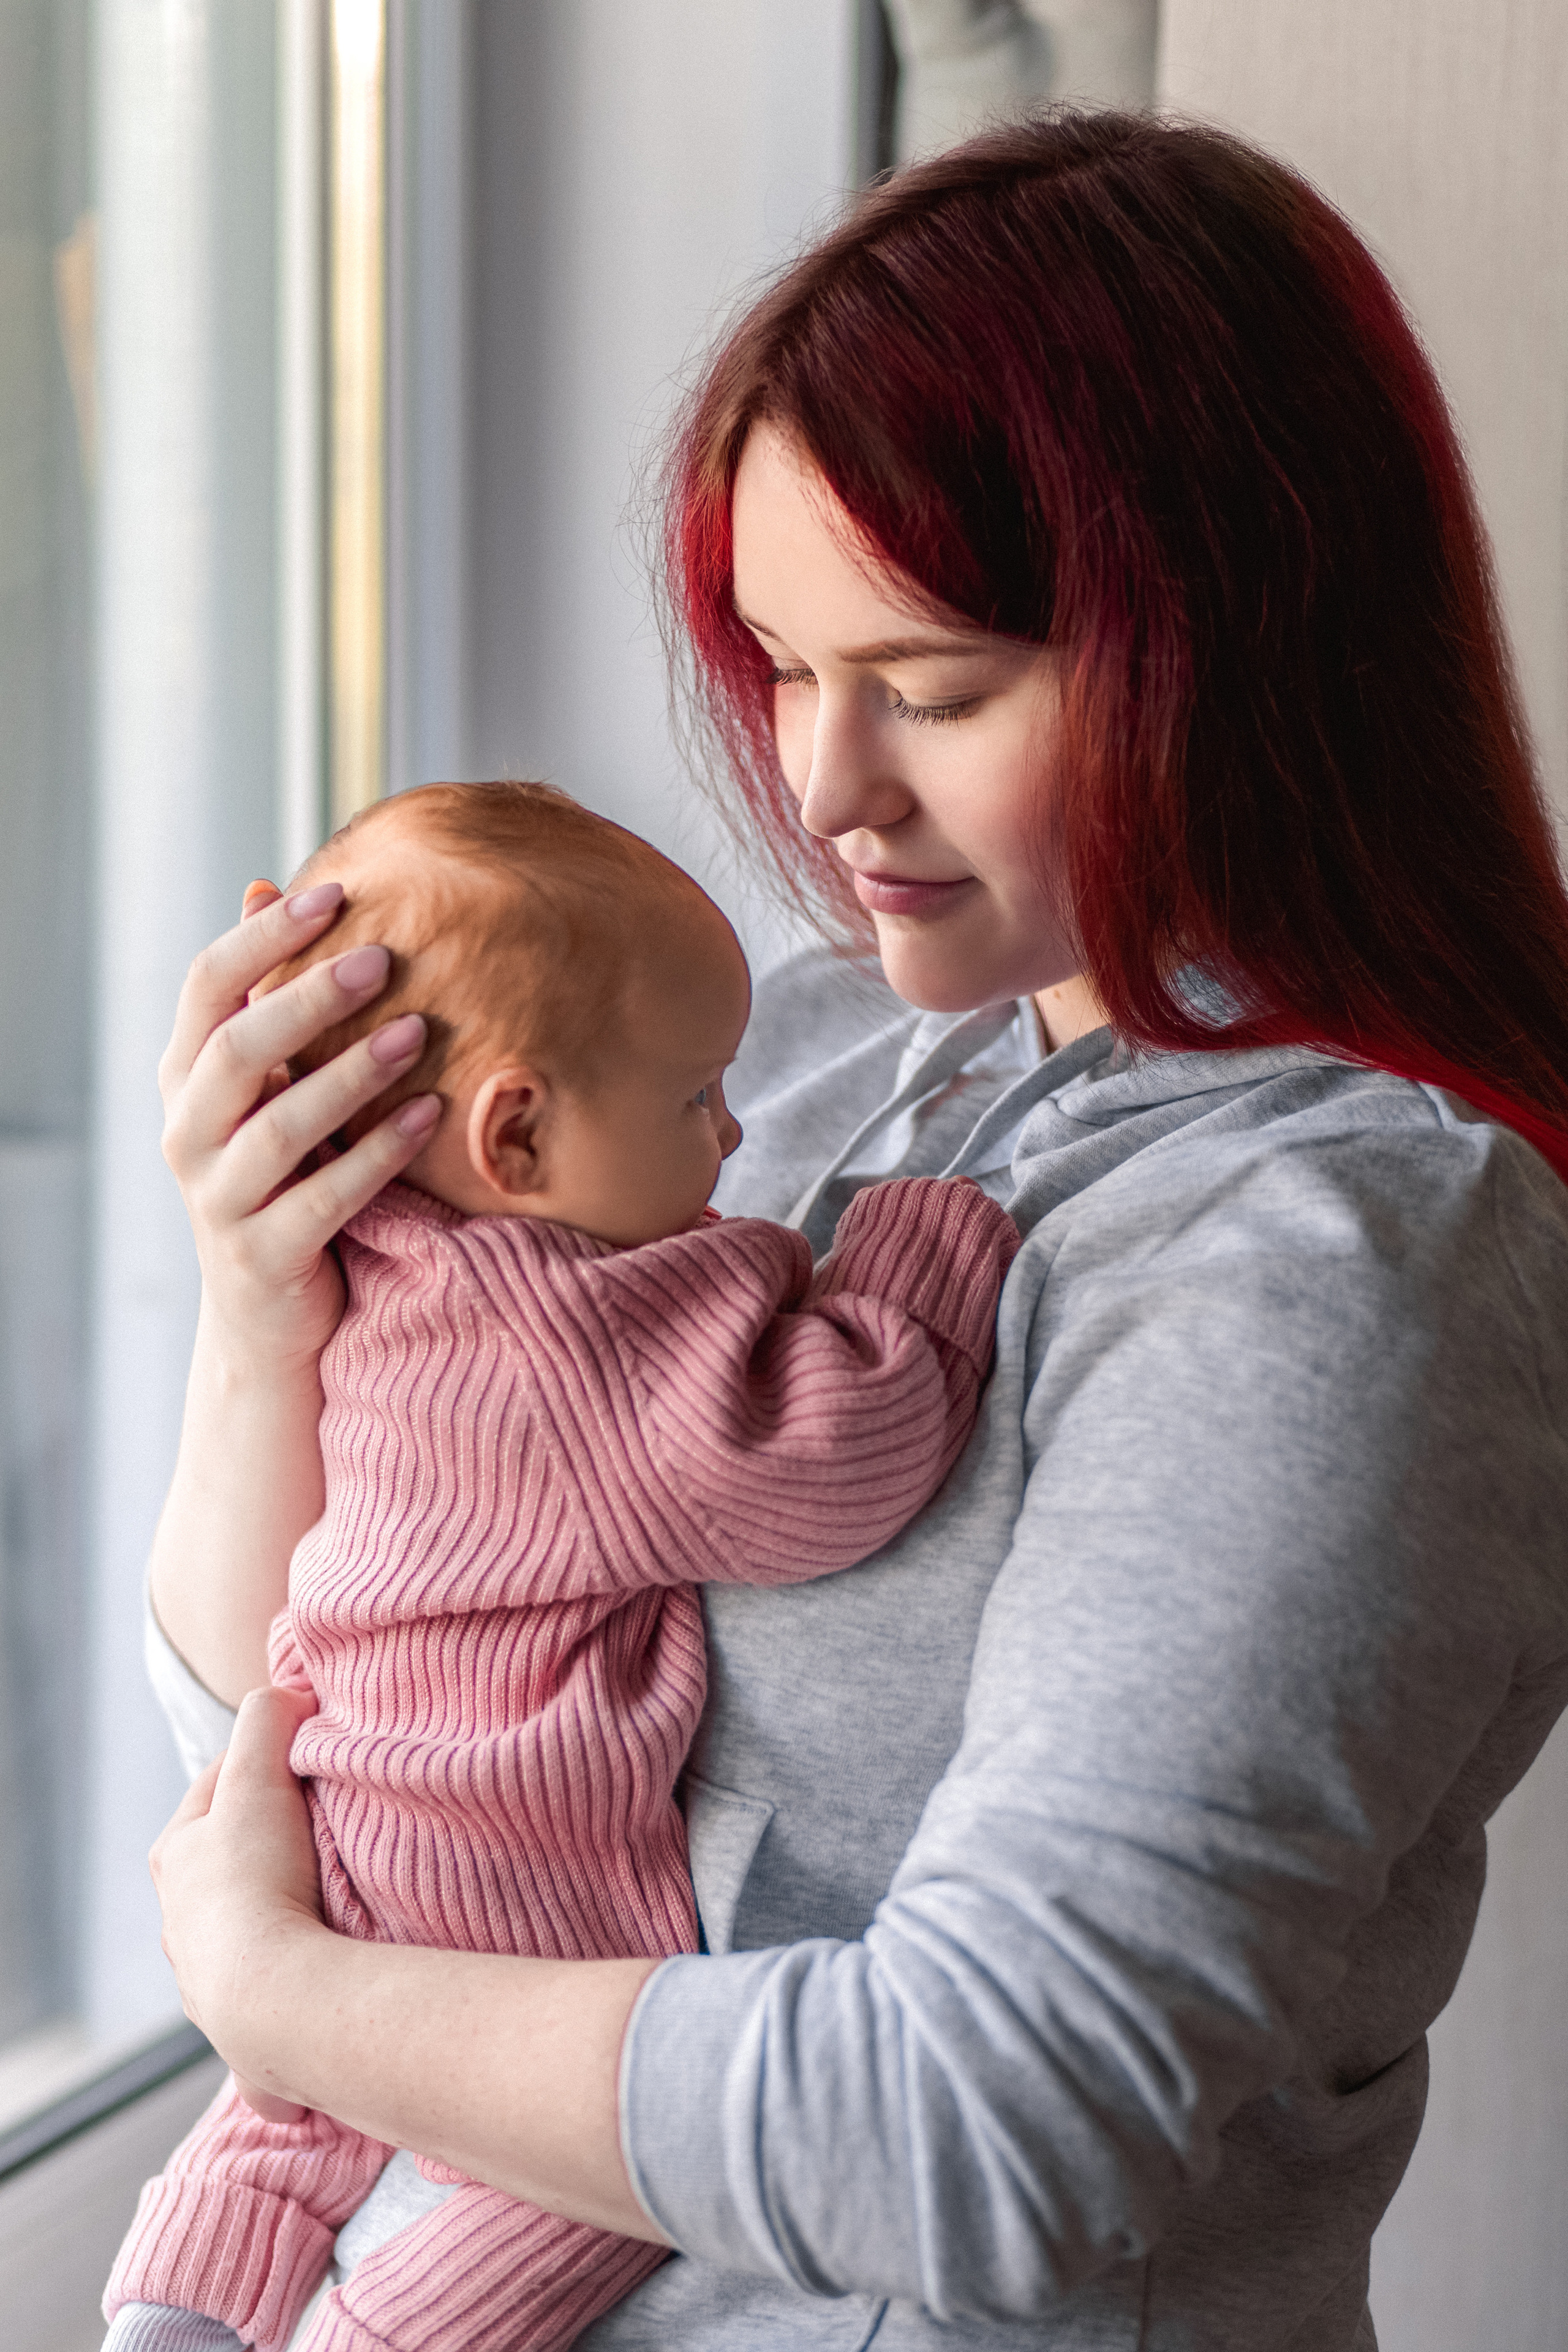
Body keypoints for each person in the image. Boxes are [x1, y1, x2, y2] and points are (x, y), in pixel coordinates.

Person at [137, 111, 1568, 2351]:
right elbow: (319, 1715)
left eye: (940, 685)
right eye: (790, 667)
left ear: (1239, 647)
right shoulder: (784, 1060)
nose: (820, 788)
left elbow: (987, 2129)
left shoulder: (1332, 1255)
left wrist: (288, 2003)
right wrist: (264, 1300)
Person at [104, 782, 1015, 2352]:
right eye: (694, 1104)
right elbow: (821, 1456)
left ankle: (175, 2310)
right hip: (513, 1873)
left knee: (280, 2127)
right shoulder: (586, 1338)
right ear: (514, 1130)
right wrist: (916, 1257)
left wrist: (272, 1977)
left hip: (340, 1812)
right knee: (560, 2187)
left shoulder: (381, 1253)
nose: (733, 1137)